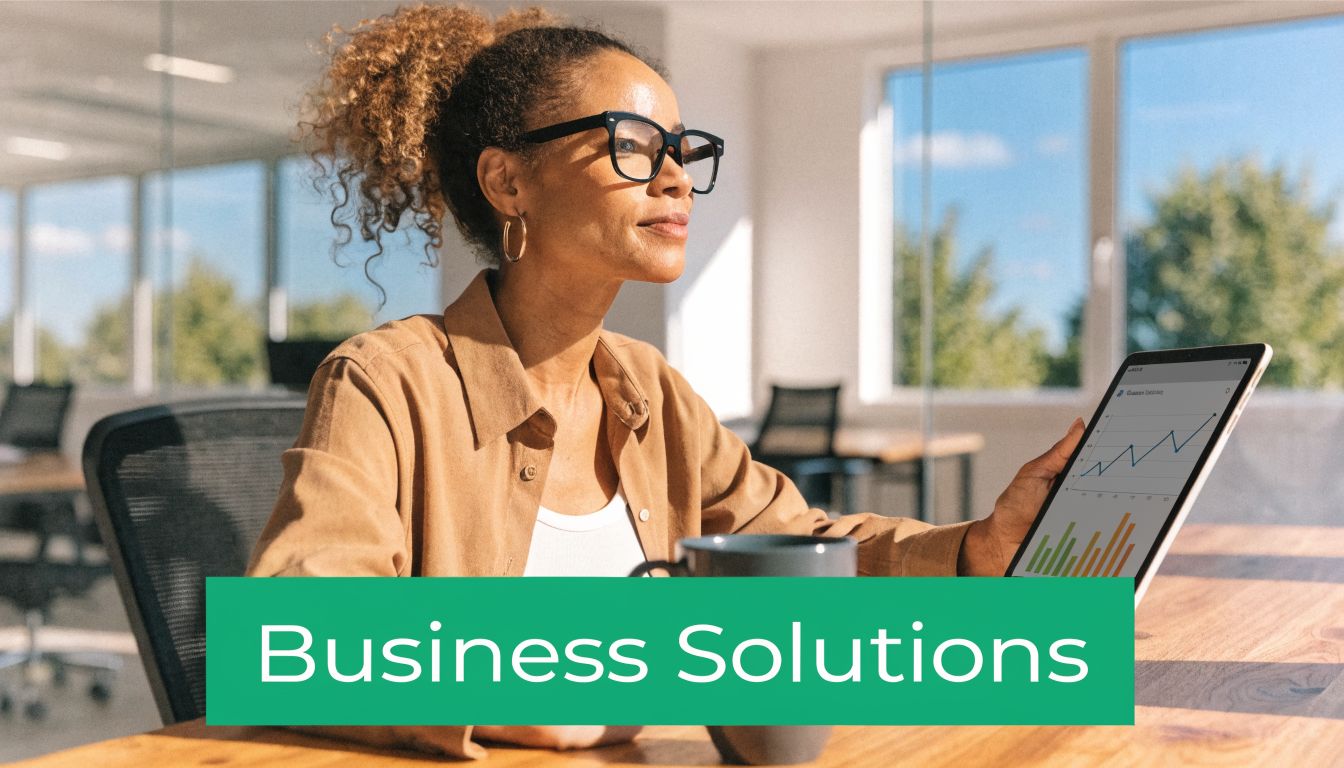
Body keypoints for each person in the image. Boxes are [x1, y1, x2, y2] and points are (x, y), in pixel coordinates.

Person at [246, 3, 1084, 760]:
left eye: (683, 152)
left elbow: (801, 554)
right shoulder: (385, 383)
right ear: (508, 181)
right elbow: (296, 632)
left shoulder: (652, 394)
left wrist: (976, 551)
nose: (677, 177)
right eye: (634, 145)